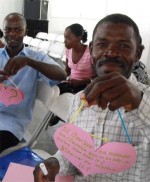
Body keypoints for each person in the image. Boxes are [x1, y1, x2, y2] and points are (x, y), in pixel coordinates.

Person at [33, 13, 150, 182]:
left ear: (137, 53)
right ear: (91, 50)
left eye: (124, 46)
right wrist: (57, 161)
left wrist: (139, 105)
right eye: (102, 44)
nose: (111, 52)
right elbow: (77, 149)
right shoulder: (78, 101)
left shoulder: (145, 100)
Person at [0, 12, 67, 153]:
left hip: (10, 125)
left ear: (25, 32)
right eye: (8, 29)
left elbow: (61, 75)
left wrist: (29, 61)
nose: (12, 34)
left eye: (18, 29)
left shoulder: (35, 57)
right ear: (3, 31)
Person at [58, 23, 95, 94]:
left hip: (87, 86)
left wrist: (81, 82)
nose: (65, 41)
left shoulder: (90, 52)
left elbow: (97, 76)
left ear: (79, 38)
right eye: (64, 37)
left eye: (68, 38)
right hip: (72, 84)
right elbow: (67, 71)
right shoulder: (68, 50)